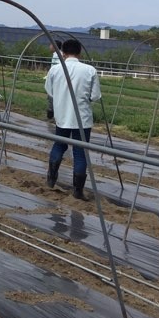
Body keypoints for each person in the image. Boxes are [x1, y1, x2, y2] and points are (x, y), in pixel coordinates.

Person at [45, 38, 101, 200]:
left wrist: (61, 99)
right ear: (80, 52)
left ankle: (51, 178)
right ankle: (77, 190)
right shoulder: (89, 70)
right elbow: (95, 96)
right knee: (80, 153)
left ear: (63, 52)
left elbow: (49, 90)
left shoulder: (56, 69)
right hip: (82, 119)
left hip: (62, 116)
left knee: (59, 145)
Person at [45, 40, 63, 121]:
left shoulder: (58, 55)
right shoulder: (57, 54)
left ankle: (51, 114)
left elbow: (58, 68)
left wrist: (50, 75)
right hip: (56, 79)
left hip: (56, 80)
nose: (49, 46)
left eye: (51, 45)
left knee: (52, 96)